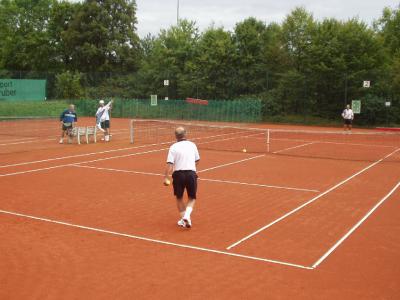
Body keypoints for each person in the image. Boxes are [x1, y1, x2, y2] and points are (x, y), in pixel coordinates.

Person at [164, 127, 200, 228]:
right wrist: (191, 167)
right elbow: (197, 160)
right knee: (192, 197)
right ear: (186, 134)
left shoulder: (173, 147)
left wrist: (166, 177)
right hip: (191, 174)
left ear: (176, 136)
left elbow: (170, 164)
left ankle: (184, 218)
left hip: (178, 175)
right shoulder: (192, 145)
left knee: (179, 198)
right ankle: (187, 217)